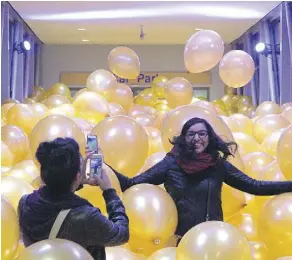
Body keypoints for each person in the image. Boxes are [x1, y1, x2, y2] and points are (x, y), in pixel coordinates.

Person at [110, 117, 292, 243]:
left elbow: (254, 186)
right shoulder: (171, 163)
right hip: (183, 241)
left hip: (214, 239)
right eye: (191, 134)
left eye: (202, 134)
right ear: (184, 138)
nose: (197, 138)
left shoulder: (217, 164)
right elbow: (131, 184)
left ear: (209, 137)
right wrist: (102, 165)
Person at [18, 137, 129, 260]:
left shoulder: (25, 203)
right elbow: (121, 234)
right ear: (77, 176)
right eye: (81, 165)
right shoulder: (86, 217)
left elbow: (56, 197)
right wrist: (109, 192)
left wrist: (77, 181)